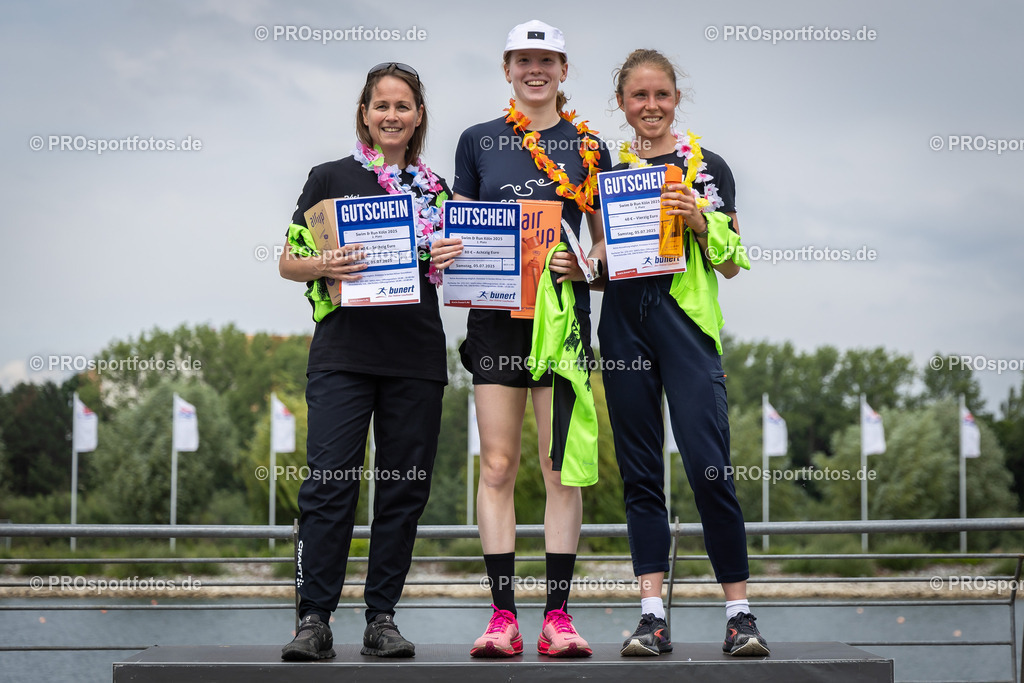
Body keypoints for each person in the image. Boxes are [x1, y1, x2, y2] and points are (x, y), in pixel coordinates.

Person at [430, 20, 610, 658]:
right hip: (495, 322)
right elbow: (458, 221)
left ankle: (557, 617)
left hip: (561, 325)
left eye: (548, 60)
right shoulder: (477, 139)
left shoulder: (589, 146)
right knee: (499, 466)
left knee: (560, 470)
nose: (536, 70)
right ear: (507, 68)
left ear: (564, 70)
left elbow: (603, 243)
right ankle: (502, 615)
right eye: (523, 60)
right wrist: (449, 246)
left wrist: (583, 267)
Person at [596, 49, 768, 657]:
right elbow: (597, 260)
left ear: (676, 100)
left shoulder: (707, 166)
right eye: (638, 96)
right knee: (641, 475)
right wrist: (586, 261)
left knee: (710, 468)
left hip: (688, 326)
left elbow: (732, 261)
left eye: (661, 95)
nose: (650, 106)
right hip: (622, 326)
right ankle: (651, 617)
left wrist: (699, 219)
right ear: (621, 102)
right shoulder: (604, 170)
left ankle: (740, 616)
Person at [278, 62, 450, 661]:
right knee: (329, 487)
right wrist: (327, 264)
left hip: (417, 357)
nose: (392, 115)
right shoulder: (328, 177)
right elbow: (287, 261)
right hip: (344, 356)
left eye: (403, 106)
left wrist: (455, 252)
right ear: (365, 112)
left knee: (403, 491)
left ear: (418, 116)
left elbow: (463, 272)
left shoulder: (438, 190)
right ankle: (313, 620)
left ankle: (382, 618)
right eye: (381, 105)